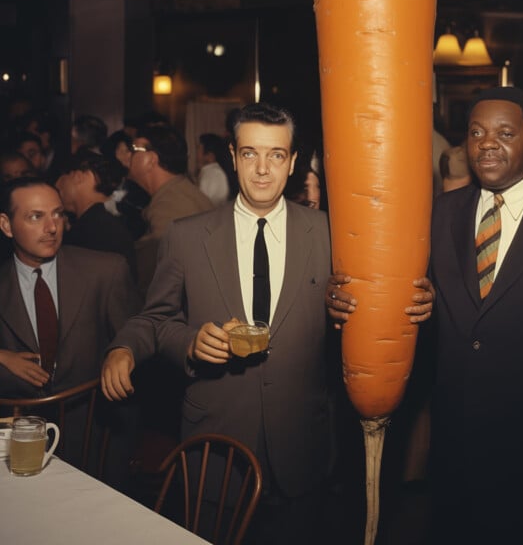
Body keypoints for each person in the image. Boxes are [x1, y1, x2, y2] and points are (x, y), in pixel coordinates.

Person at [101, 102, 433, 545]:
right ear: (233, 157)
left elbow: (372, 293)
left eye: (276, 155)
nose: (262, 169)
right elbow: (156, 317)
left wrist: (415, 298)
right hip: (215, 449)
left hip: (303, 450)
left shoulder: (330, 233)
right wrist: (145, 346)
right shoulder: (186, 236)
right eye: (250, 154)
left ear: (292, 162)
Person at [329, 86, 523, 544]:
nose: (488, 143)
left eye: (505, 133)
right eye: (477, 132)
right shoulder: (438, 214)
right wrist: (347, 299)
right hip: (455, 452)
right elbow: (407, 305)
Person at [0, 177, 141, 484]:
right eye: (36, 217)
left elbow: (139, 337)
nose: (52, 227)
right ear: (6, 225)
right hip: (20, 452)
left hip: (98, 444)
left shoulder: (105, 271)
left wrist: (124, 351)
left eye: (58, 214)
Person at [127, 123, 213, 294]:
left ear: (151, 159)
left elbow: (160, 278)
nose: (129, 155)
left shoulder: (171, 205)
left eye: (135, 149)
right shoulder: (179, 192)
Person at [55, 151, 138, 274]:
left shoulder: (94, 228)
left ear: (78, 176)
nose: (57, 185)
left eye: (62, 178)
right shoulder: (114, 219)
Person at [196, 132, 232, 206]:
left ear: (210, 155)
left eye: (198, 148)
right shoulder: (208, 172)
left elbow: (205, 205)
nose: (196, 152)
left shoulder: (215, 174)